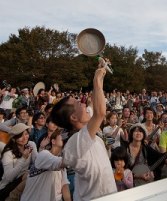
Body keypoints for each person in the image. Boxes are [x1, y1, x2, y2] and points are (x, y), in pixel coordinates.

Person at [50, 62, 117, 200]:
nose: (82, 102)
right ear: (74, 117)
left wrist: (100, 73)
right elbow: (100, 112)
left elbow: (95, 103)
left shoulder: (86, 129)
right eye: (77, 103)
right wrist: (96, 79)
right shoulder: (75, 142)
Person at [21, 129, 71, 201]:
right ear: (53, 141)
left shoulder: (61, 162)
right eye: (62, 136)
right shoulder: (43, 155)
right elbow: (63, 162)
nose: (66, 138)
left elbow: (64, 185)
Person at [0, 123, 37, 201]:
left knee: (34, 175)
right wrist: (23, 159)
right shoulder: (8, 153)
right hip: (8, 187)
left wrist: (41, 148)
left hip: (24, 181)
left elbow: (38, 163)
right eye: (20, 136)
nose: (24, 138)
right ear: (13, 139)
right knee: (29, 175)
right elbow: (8, 177)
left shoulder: (30, 145)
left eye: (26, 134)